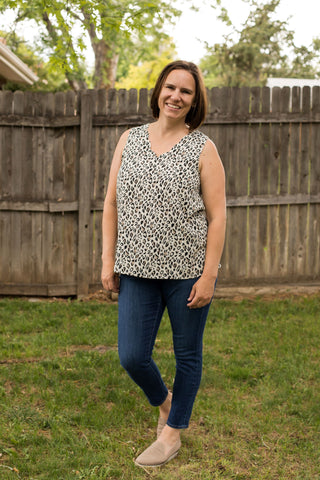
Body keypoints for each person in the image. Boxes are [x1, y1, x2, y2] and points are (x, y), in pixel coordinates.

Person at [101, 60, 226, 467]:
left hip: (186, 271)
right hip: (136, 268)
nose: (176, 96)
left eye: (185, 92)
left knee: (187, 354)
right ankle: (166, 403)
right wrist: (108, 259)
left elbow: (219, 214)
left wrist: (209, 275)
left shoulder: (202, 148)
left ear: (194, 101)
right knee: (132, 355)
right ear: (158, 91)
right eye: (170, 88)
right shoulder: (129, 140)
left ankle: (172, 433)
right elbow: (111, 204)